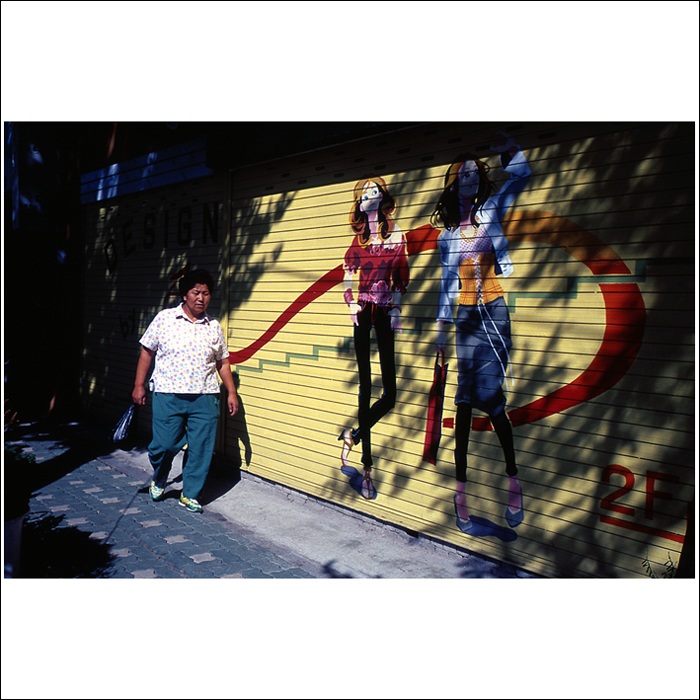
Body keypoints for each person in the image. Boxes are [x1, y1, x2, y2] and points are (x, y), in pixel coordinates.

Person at [431, 133, 530, 533]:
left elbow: (521, 177)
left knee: (492, 400)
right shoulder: (447, 237)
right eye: (464, 175)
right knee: (463, 401)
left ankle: (513, 479)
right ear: (454, 184)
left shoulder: (490, 210)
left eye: (475, 173)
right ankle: (461, 493)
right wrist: (441, 330)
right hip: (466, 317)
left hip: (495, 311)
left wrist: (509, 149)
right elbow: (446, 286)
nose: (470, 179)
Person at [132, 269, 238, 513]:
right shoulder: (165, 319)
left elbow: (222, 362)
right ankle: (160, 477)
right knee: (165, 445)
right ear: (185, 294)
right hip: (168, 394)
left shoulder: (213, 327)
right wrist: (139, 385)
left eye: (206, 293)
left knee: (201, 448)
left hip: (205, 396)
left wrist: (231, 392)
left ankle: (190, 494)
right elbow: (147, 352)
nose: (201, 298)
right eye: (196, 292)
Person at [339, 177, 410, 499]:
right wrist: (351, 303)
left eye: (376, 190)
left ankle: (354, 435)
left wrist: (397, 308)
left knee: (390, 393)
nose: (371, 195)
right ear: (360, 202)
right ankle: (367, 469)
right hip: (363, 311)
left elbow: (401, 276)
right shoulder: (359, 241)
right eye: (366, 192)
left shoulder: (395, 235)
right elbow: (347, 275)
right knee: (366, 388)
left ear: (383, 198)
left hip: (384, 311)